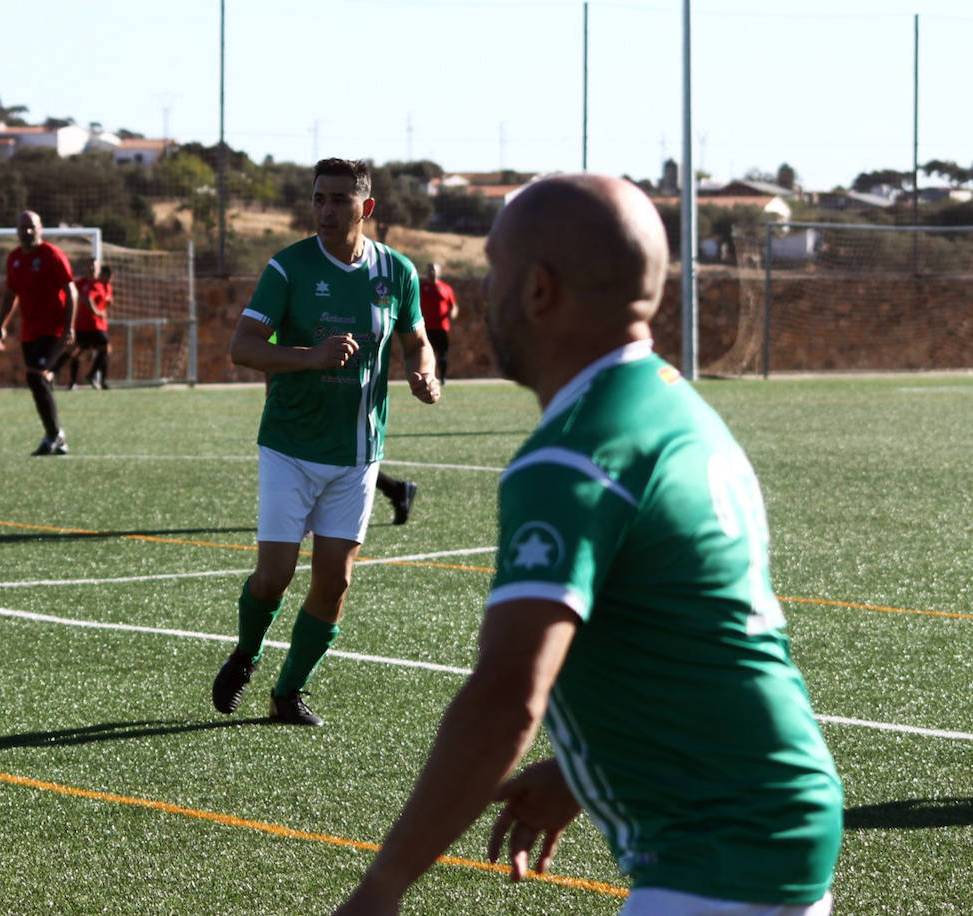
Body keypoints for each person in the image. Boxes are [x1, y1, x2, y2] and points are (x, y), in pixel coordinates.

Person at [332, 175, 843, 914]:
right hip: (774, 826)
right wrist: (579, 775)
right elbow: (690, 630)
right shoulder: (680, 412)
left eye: (495, 267)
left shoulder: (572, 455)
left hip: (716, 857)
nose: (487, 289)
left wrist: (381, 887)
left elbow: (509, 695)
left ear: (537, 290)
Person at [211, 158, 441, 727]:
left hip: (359, 452)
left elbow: (417, 340)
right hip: (290, 446)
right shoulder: (288, 269)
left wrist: (425, 373)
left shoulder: (398, 272)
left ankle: (288, 694)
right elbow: (242, 346)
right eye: (319, 198)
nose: (326, 210)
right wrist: (308, 358)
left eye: (339, 200)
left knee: (335, 582)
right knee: (275, 576)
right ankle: (247, 653)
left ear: (366, 209)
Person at [0, 210, 79, 455]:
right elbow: (11, 295)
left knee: (35, 376)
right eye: (23, 227)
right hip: (30, 332)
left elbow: (71, 291)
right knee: (38, 380)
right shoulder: (14, 259)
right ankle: (56, 437)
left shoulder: (52, 255)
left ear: (41, 228)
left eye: (31, 226)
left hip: (54, 329)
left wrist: (69, 326)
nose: (27, 231)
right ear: (17, 230)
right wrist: (1, 325)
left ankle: (54, 435)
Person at [59, 262, 114, 390]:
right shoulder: (86, 284)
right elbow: (86, 298)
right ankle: (91, 376)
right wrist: (97, 312)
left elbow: (105, 302)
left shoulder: (105, 287)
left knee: (78, 352)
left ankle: (95, 379)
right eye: (90, 267)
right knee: (103, 348)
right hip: (88, 325)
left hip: (97, 325)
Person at [418, 262, 459, 384]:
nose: (431, 273)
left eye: (434, 270)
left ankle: (442, 378)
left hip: (442, 327)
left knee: (442, 354)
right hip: (426, 327)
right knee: (426, 353)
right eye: (429, 270)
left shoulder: (446, 288)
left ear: (439, 272)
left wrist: (453, 313)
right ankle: (426, 378)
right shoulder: (422, 287)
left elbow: (454, 306)